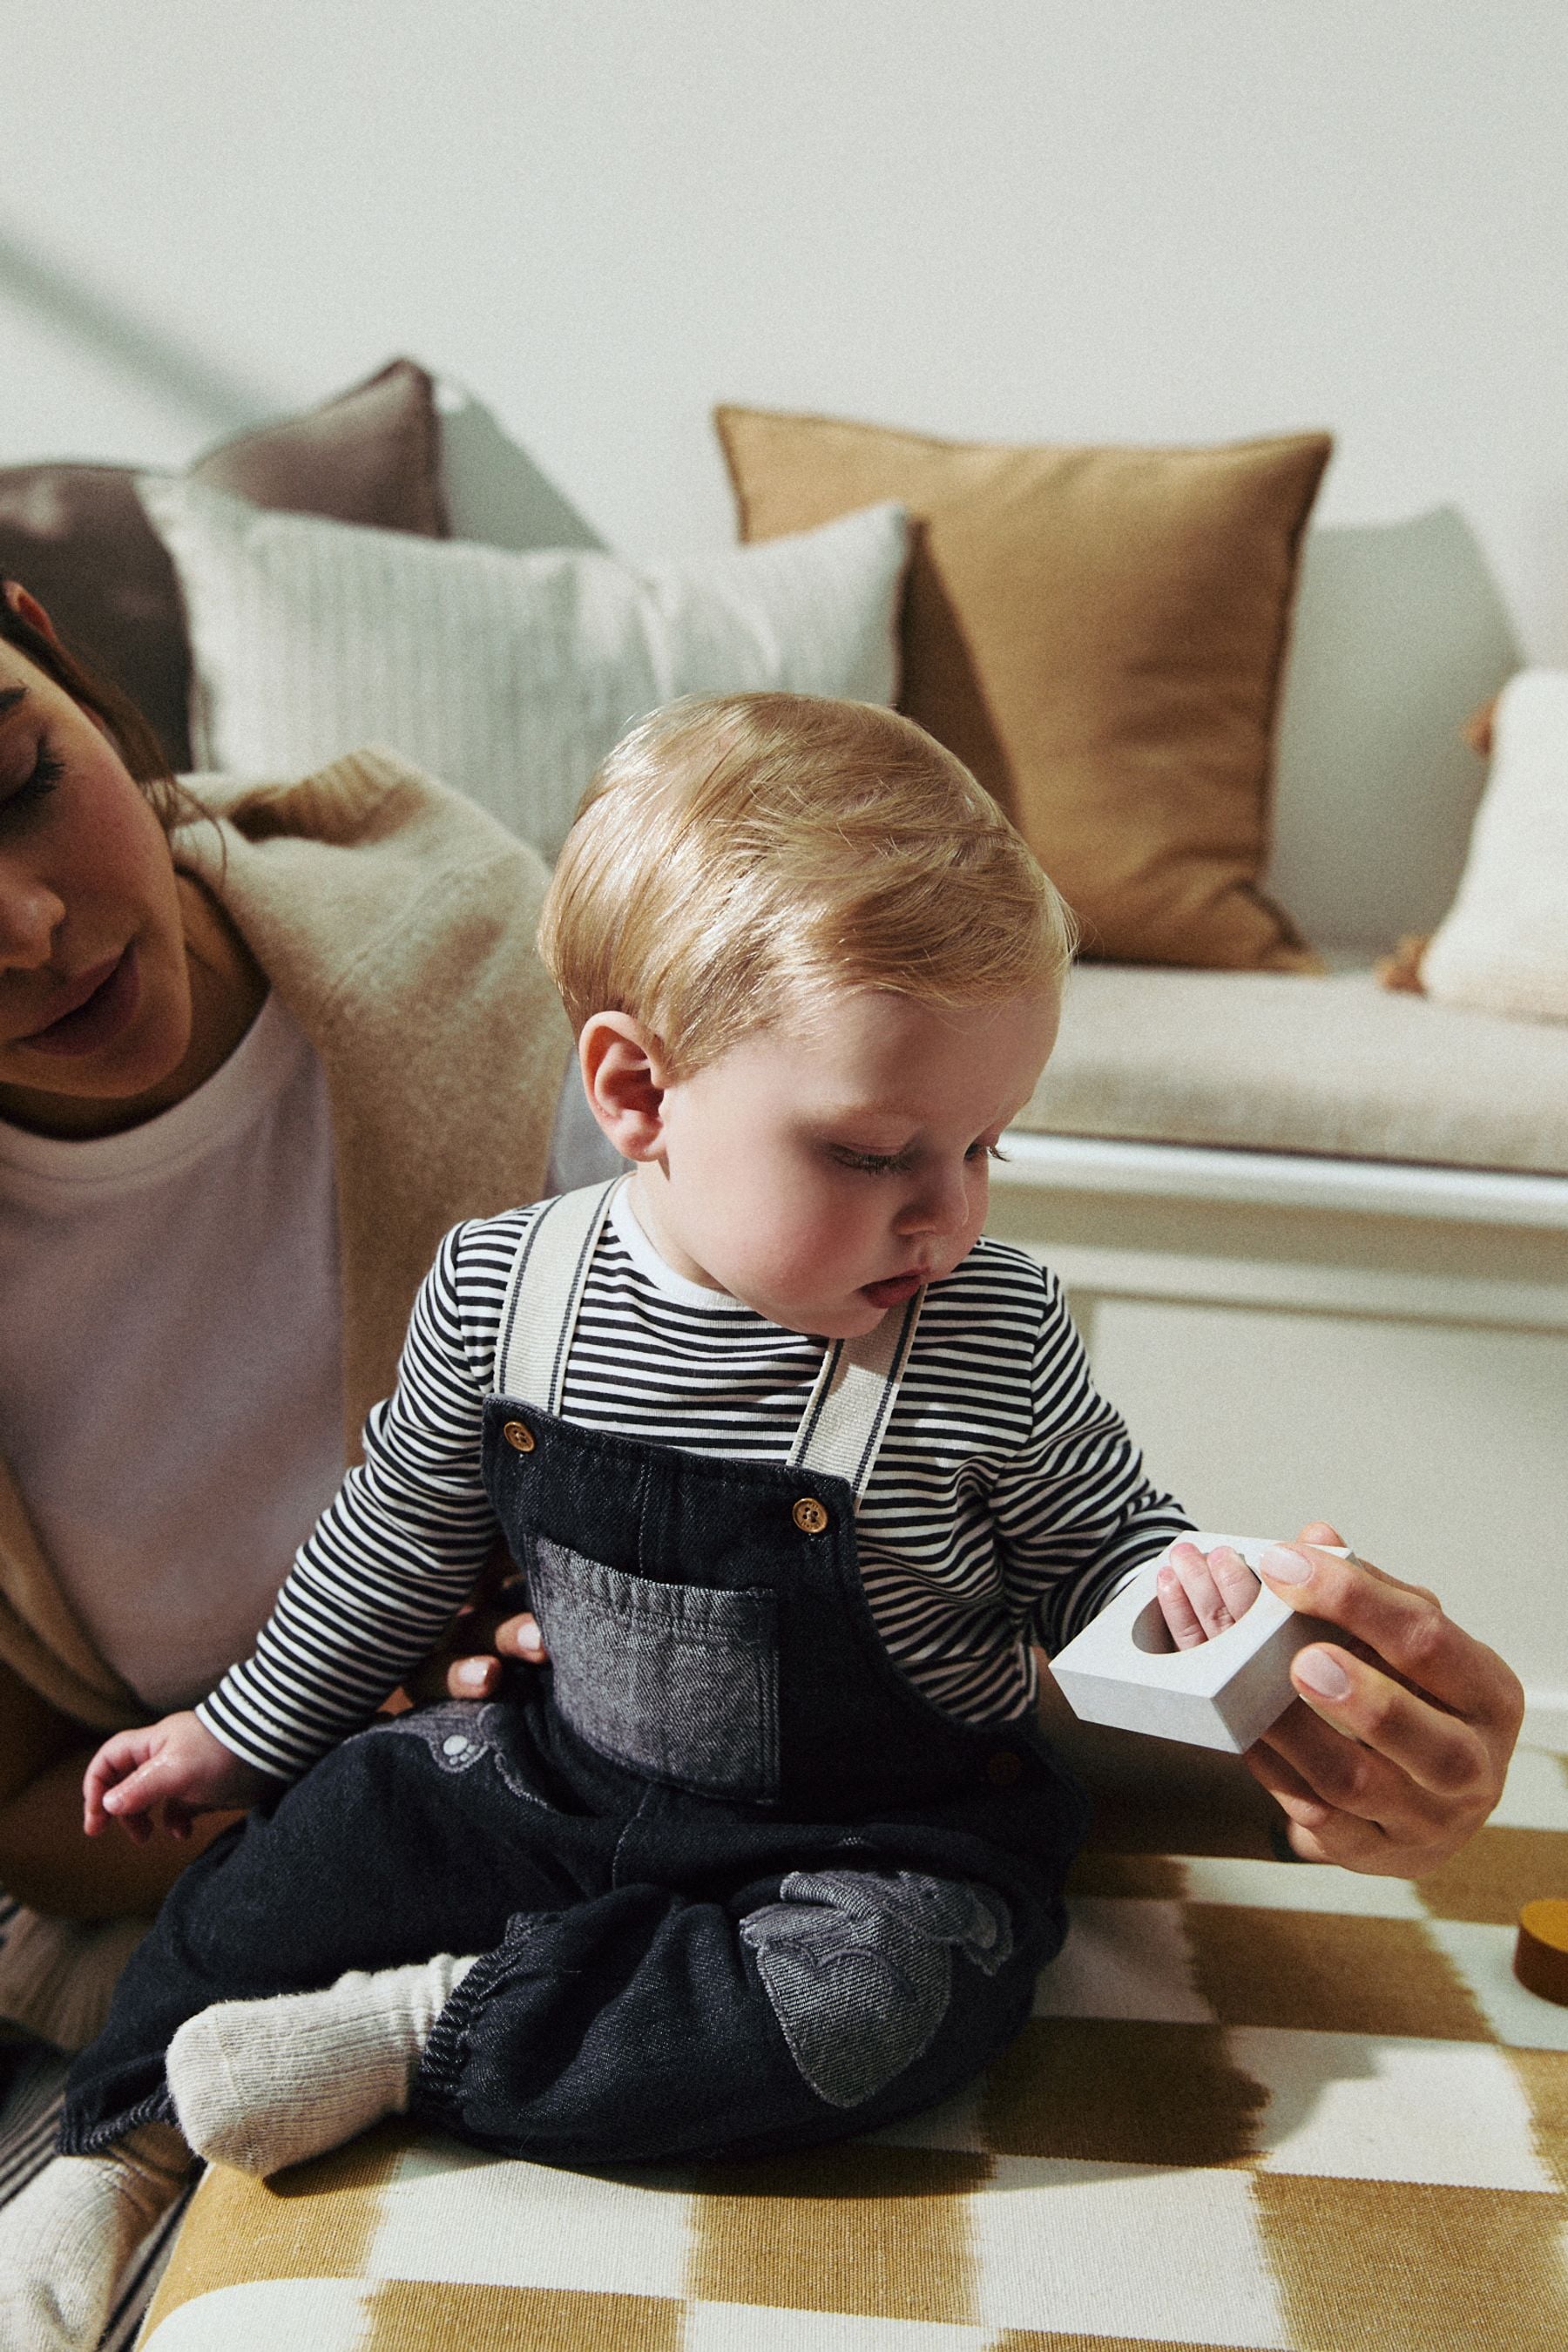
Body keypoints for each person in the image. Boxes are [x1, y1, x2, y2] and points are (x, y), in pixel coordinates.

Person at [0, 692, 1525, 2351]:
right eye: (873, 1153)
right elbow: (388, 1551)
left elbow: (1104, 1547)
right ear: (636, 1090)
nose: (945, 1211)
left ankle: (422, 2036)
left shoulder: (986, 1336)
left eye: (984, 1143)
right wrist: (237, 1736)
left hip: (875, 1847)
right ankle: (120, 2140)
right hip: (556, 1779)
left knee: (871, 2011)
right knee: (277, 1873)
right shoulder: (506, 1292)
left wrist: (1206, 1602)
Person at [0, 583, 572, 2192]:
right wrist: (315, 1763)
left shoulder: (482, 950)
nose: (30, 929)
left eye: (21, 782)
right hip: (228, 1923)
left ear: (55, 656)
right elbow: (25, 1817)